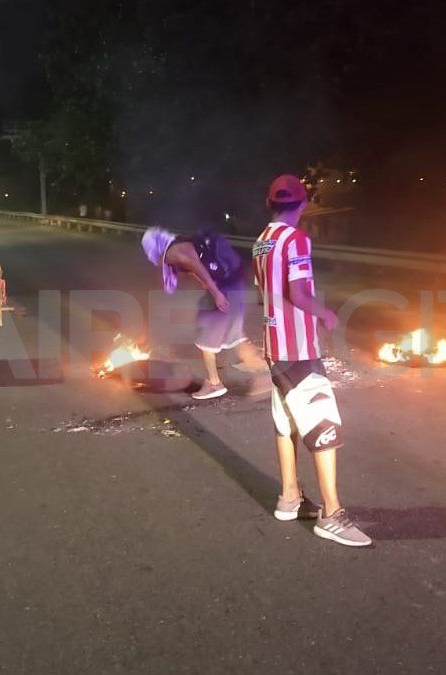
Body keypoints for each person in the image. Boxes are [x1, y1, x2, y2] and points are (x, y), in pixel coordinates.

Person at [251, 174, 371, 547]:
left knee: (286, 421)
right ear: (302, 205)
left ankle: (290, 497)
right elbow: (299, 293)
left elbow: (265, 294)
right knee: (323, 423)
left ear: (270, 205)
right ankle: (331, 515)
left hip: (273, 344)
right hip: (298, 348)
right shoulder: (296, 238)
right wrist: (325, 314)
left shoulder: (260, 242)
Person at [141, 227, 270, 399]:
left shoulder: (174, 252)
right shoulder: (182, 245)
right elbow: (199, 269)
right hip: (233, 285)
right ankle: (265, 372)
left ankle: (215, 384)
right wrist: (211, 290)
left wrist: (216, 293)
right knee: (234, 336)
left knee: (206, 336)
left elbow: (197, 267)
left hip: (224, 289)